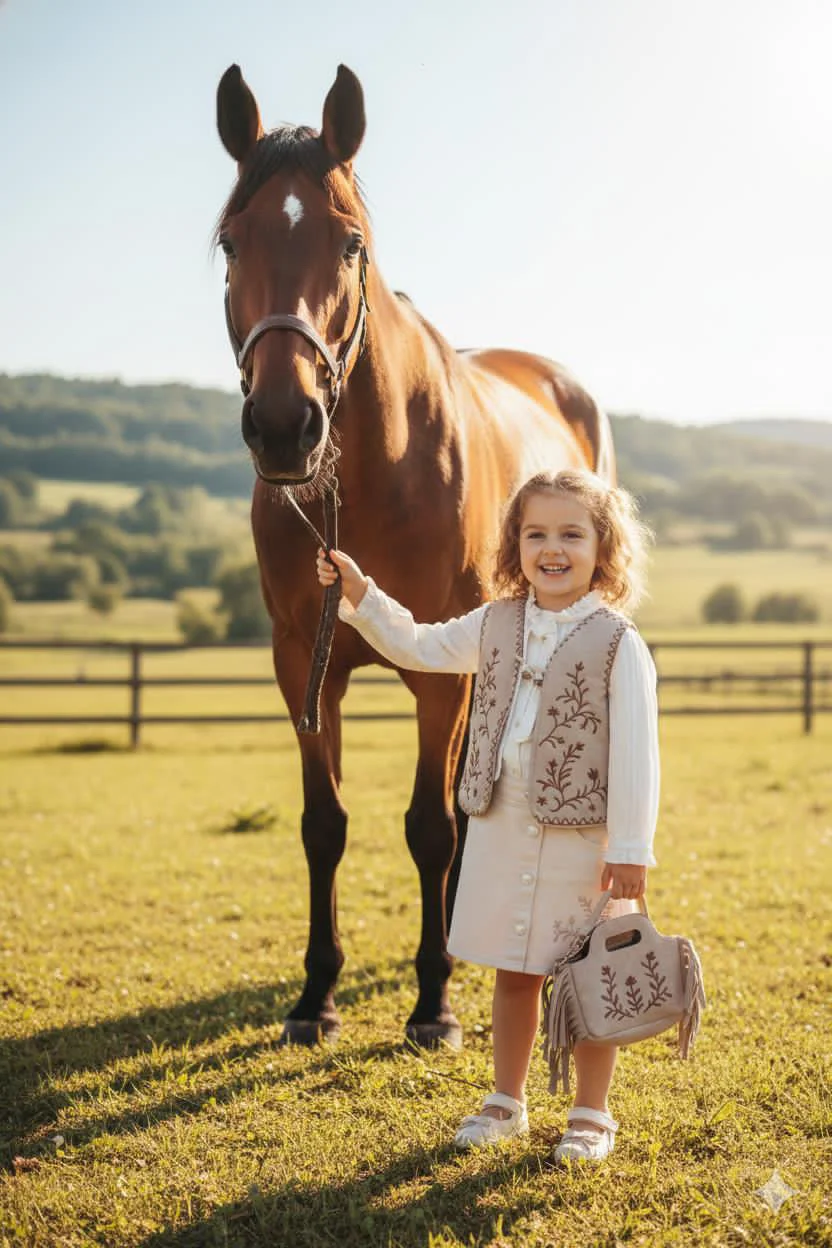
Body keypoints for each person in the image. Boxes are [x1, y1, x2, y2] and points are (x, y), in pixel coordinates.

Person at [316, 468, 658, 1163]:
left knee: (585, 974)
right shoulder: (496, 622)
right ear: (514, 544)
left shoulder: (618, 642)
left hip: (584, 842)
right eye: (536, 533)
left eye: (571, 533)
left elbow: (637, 756)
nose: (552, 548)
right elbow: (421, 645)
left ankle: (591, 1115)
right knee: (513, 969)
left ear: (603, 547)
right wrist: (362, 595)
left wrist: (630, 849)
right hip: (501, 829)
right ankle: (506, 1102)